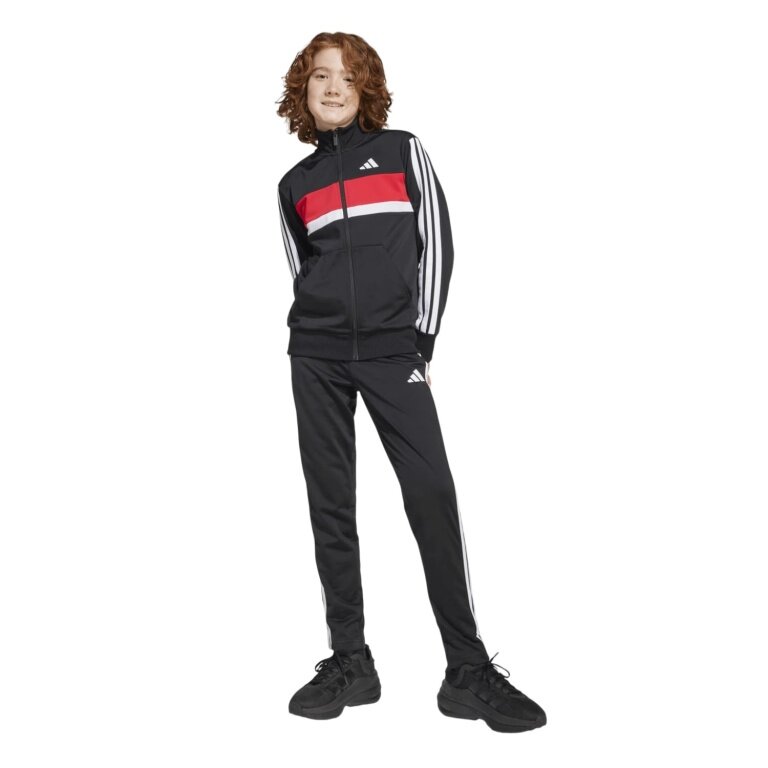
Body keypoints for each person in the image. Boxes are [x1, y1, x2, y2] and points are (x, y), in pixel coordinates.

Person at [275, 31, 546, 733]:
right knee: (331, 505)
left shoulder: (401, 152)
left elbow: (438, 243)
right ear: (303, 90)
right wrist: (316, 341)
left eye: (347, 76)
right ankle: (351, 661)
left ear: (366, 87)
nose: (333, 88)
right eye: (320, 77)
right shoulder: (293, 185)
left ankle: (467, 670)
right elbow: (302, 271)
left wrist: (419, 339)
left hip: (394, 351)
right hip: (316, 357)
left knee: (430, 493)